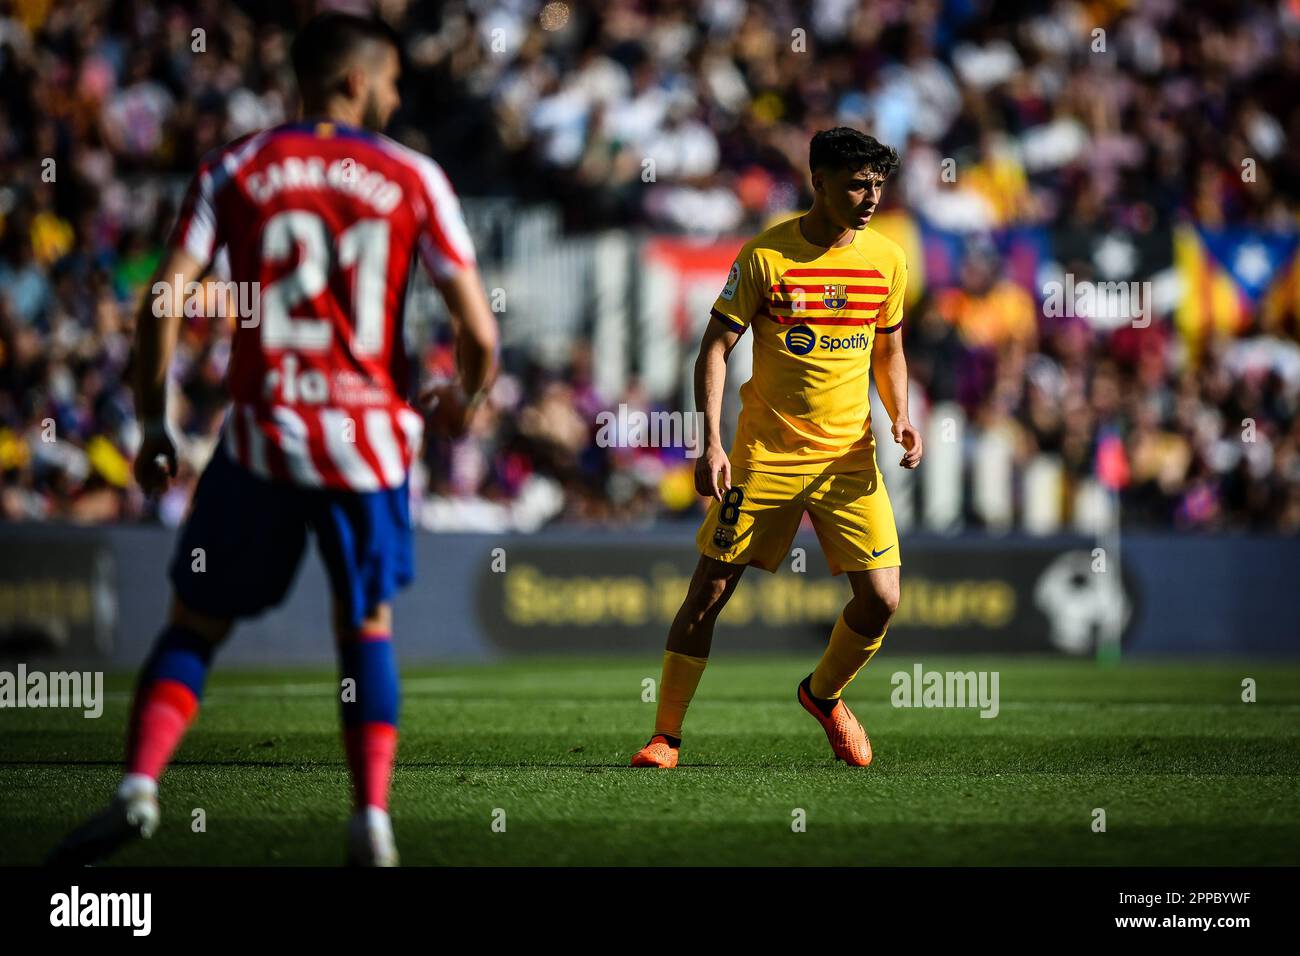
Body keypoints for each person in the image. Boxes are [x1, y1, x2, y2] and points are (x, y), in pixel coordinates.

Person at [49, 12, 498, 866]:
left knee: (195, 623)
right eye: (393, 81)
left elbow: (162, 301)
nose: (399, 96)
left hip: (263, 435)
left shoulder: (237, 167)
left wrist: (155, 423)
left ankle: (138, 786)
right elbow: (478, 333)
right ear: (356, 81)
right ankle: (371, 820)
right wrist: (464, 402)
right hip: (366, 445)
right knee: (364, 625)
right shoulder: (413, 176)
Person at [630, 127, 922, 769]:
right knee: (708, 592)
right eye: (855, 183)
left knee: (882, 599)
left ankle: (823, 695)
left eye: (877, 183)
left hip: (850, 457)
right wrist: (710, 440)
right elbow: (713, 347)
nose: (869, 196)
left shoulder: (889, 260)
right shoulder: (766, 257)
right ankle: (665, 737)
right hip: (767, 455)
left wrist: (900, 415)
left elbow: (890, 349)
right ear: (818, 181)